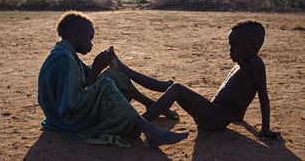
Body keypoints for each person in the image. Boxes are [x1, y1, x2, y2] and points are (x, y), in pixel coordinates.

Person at [37, 10, 188, 148]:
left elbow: (87, 82)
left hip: (69, 112)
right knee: (105, 83)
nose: (91, 43)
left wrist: (103, 67)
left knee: (114, 74)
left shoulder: (66, 53)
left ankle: (150, 104)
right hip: (66, 119)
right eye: (90, 38)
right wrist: (96, 68)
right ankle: (150, 131)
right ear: (77, 33)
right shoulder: (64, 58)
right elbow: (73, 103)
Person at [110, 20, 281, 139]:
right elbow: (241, 94)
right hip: (212, 114)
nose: (230, 50)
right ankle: (123, 69)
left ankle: (137, 126)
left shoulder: (255, 63)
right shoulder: (244, 62)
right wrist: (238, 117)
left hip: (215, 119)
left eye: (234, 45)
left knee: (176, 88)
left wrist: (265, 127)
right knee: (170, 85)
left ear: (252, 47)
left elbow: (262, 95)